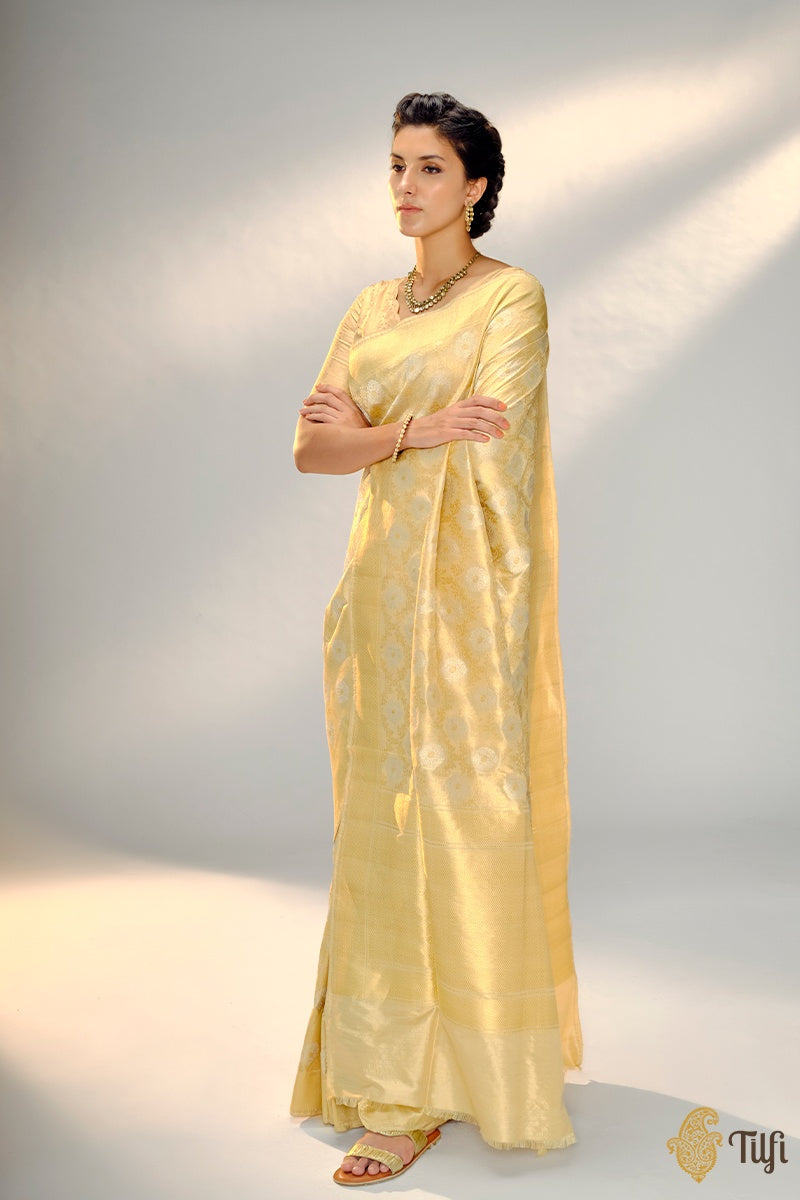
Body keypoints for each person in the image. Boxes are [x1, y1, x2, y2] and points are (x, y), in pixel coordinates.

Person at [289, 91, 583, 1187]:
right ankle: (389, 1080)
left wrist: (371, 431)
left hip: (468, 606)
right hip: (376, 596)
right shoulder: (370, 308)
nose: (406, 187)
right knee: (381, 822)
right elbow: (309, 451)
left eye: (429, 168)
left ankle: (465, 1068)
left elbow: (492, 433)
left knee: (464, 815)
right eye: (396, 166)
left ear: (476, 187)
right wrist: (412, 429)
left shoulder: (512, 297)